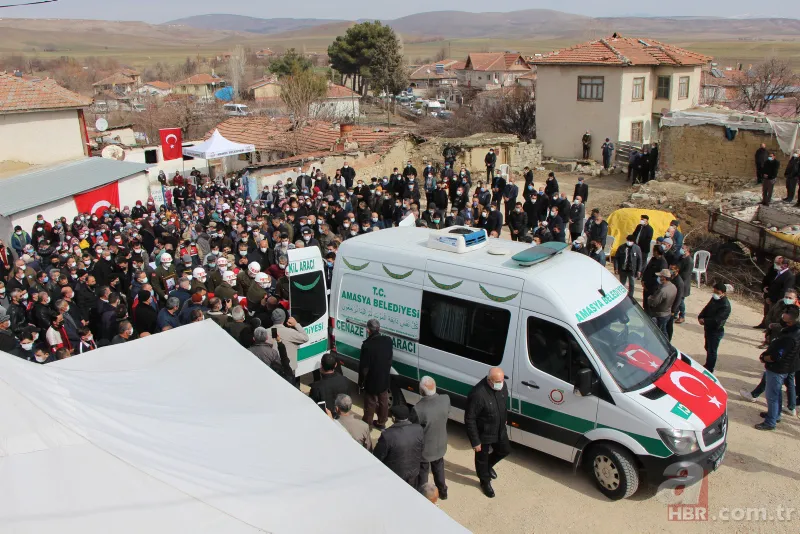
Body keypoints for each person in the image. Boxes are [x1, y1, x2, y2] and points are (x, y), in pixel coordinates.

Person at [465, 367, 510, 498]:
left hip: (499, 429)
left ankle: (488, 466)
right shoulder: (478, 394)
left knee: (505, 450)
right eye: (497, 381)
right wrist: (475, 441)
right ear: (489, 380)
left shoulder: (502, 385)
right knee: (481, 459)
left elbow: (503, 403)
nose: (501, 384)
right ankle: (485, 481)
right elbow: (470, 419)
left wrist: (504, 418)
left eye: (502, 380)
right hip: (483, 434)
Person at [755, 306, 800, 431]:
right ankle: (775, 415)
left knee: (772, 396)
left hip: (778, 369)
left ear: (790, 321)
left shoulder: (789, 338)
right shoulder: (795, 331)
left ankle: (770, 422)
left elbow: (776, 356)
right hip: (786, 367)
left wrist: (764, 358)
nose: (781, 320)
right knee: (777, 393)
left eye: (784, 318)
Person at [410, 376, 450, 499]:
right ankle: (443, 493)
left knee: (423, 473)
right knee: (439, 469)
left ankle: (424, 496)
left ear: (421, 391)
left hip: (424, 449)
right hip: (440, 443)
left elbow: (413, 429)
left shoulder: (418, 409)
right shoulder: (445, 399)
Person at [373, 404, 424, 486]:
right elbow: (421, 448)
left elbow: (377, 456)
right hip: (413, 473)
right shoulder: (418, 429)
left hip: (395, 476)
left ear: (393, 418)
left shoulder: (387, 435)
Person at [358, 318, 394, 429]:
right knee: (383, 400)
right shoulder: (388, 340)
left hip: (372, 379)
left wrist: (361, 382)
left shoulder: (367, 345)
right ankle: (382, 422)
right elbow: (389, 358)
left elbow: (364, 367)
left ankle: (367, 424)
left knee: (370, 402)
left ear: (368, 330)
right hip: (384, 377)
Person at [697, 282, 732, 373]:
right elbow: (706, 308)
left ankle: (709, 368)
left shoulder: (725, 305)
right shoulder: (714, 299)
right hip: (708, 328)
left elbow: (717, 320)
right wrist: (701, 316)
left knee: (712, 350)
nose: (715, 294)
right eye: (714, 291)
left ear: (723, 293)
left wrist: (705, 321)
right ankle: (708, 364)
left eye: (717, 292)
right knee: (707, 347)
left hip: (716, 331)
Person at [757, 257, 796, 328]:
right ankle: (765, 327)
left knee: (774, 318)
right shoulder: (777, 273)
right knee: (768, 315)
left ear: (785, 265)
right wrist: (767, 295)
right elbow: (772, 284)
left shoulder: (789, 276)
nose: (778, 265)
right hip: (770, 298)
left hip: (777, 301)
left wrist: (773, 299)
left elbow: (784, 290)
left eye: (779, 264)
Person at [269, 308, 309, 376]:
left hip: (273, 369)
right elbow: (305, 338)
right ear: (285, 318)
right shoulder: (291, 332)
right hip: (289, 369)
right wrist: (296, 324)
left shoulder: (266, 332)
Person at [647, 269, 677, 338]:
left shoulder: (663, 290)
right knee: (663, 330)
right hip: (667, 312)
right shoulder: (673, 286)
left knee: (660, 332)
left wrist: (649, 298)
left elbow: (654, 303)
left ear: (664, 277)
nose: (659, 278)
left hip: (660, 314)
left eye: (660, 276)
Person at [642, 246, 667, 313]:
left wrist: (650, 286)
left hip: (653, 287)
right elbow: (647, 270)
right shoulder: (653, 259)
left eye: (653, 251)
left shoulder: (663, 262)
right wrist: (643, 280)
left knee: (650, 305)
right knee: (645, 303)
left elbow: (660, 278)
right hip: (646, 284)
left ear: (656, 251)